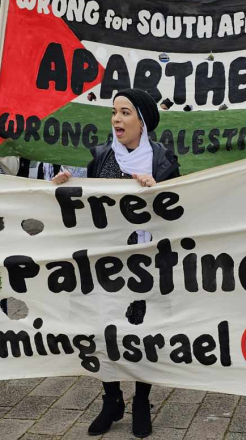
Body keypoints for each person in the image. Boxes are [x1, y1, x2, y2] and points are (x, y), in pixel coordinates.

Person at [52, 88, 179, 439]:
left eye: (125, 113)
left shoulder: (163, 161)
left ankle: (141, 401)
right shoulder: (99, 156)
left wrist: (157, 190)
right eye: (114, 113)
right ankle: (111, 399)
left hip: (144, 264)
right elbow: (81, 200)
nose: (117, 120)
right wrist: (64, 184)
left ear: (142, 121)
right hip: (105, 263)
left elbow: (177, 208)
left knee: (140, 331)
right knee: (102, 328)